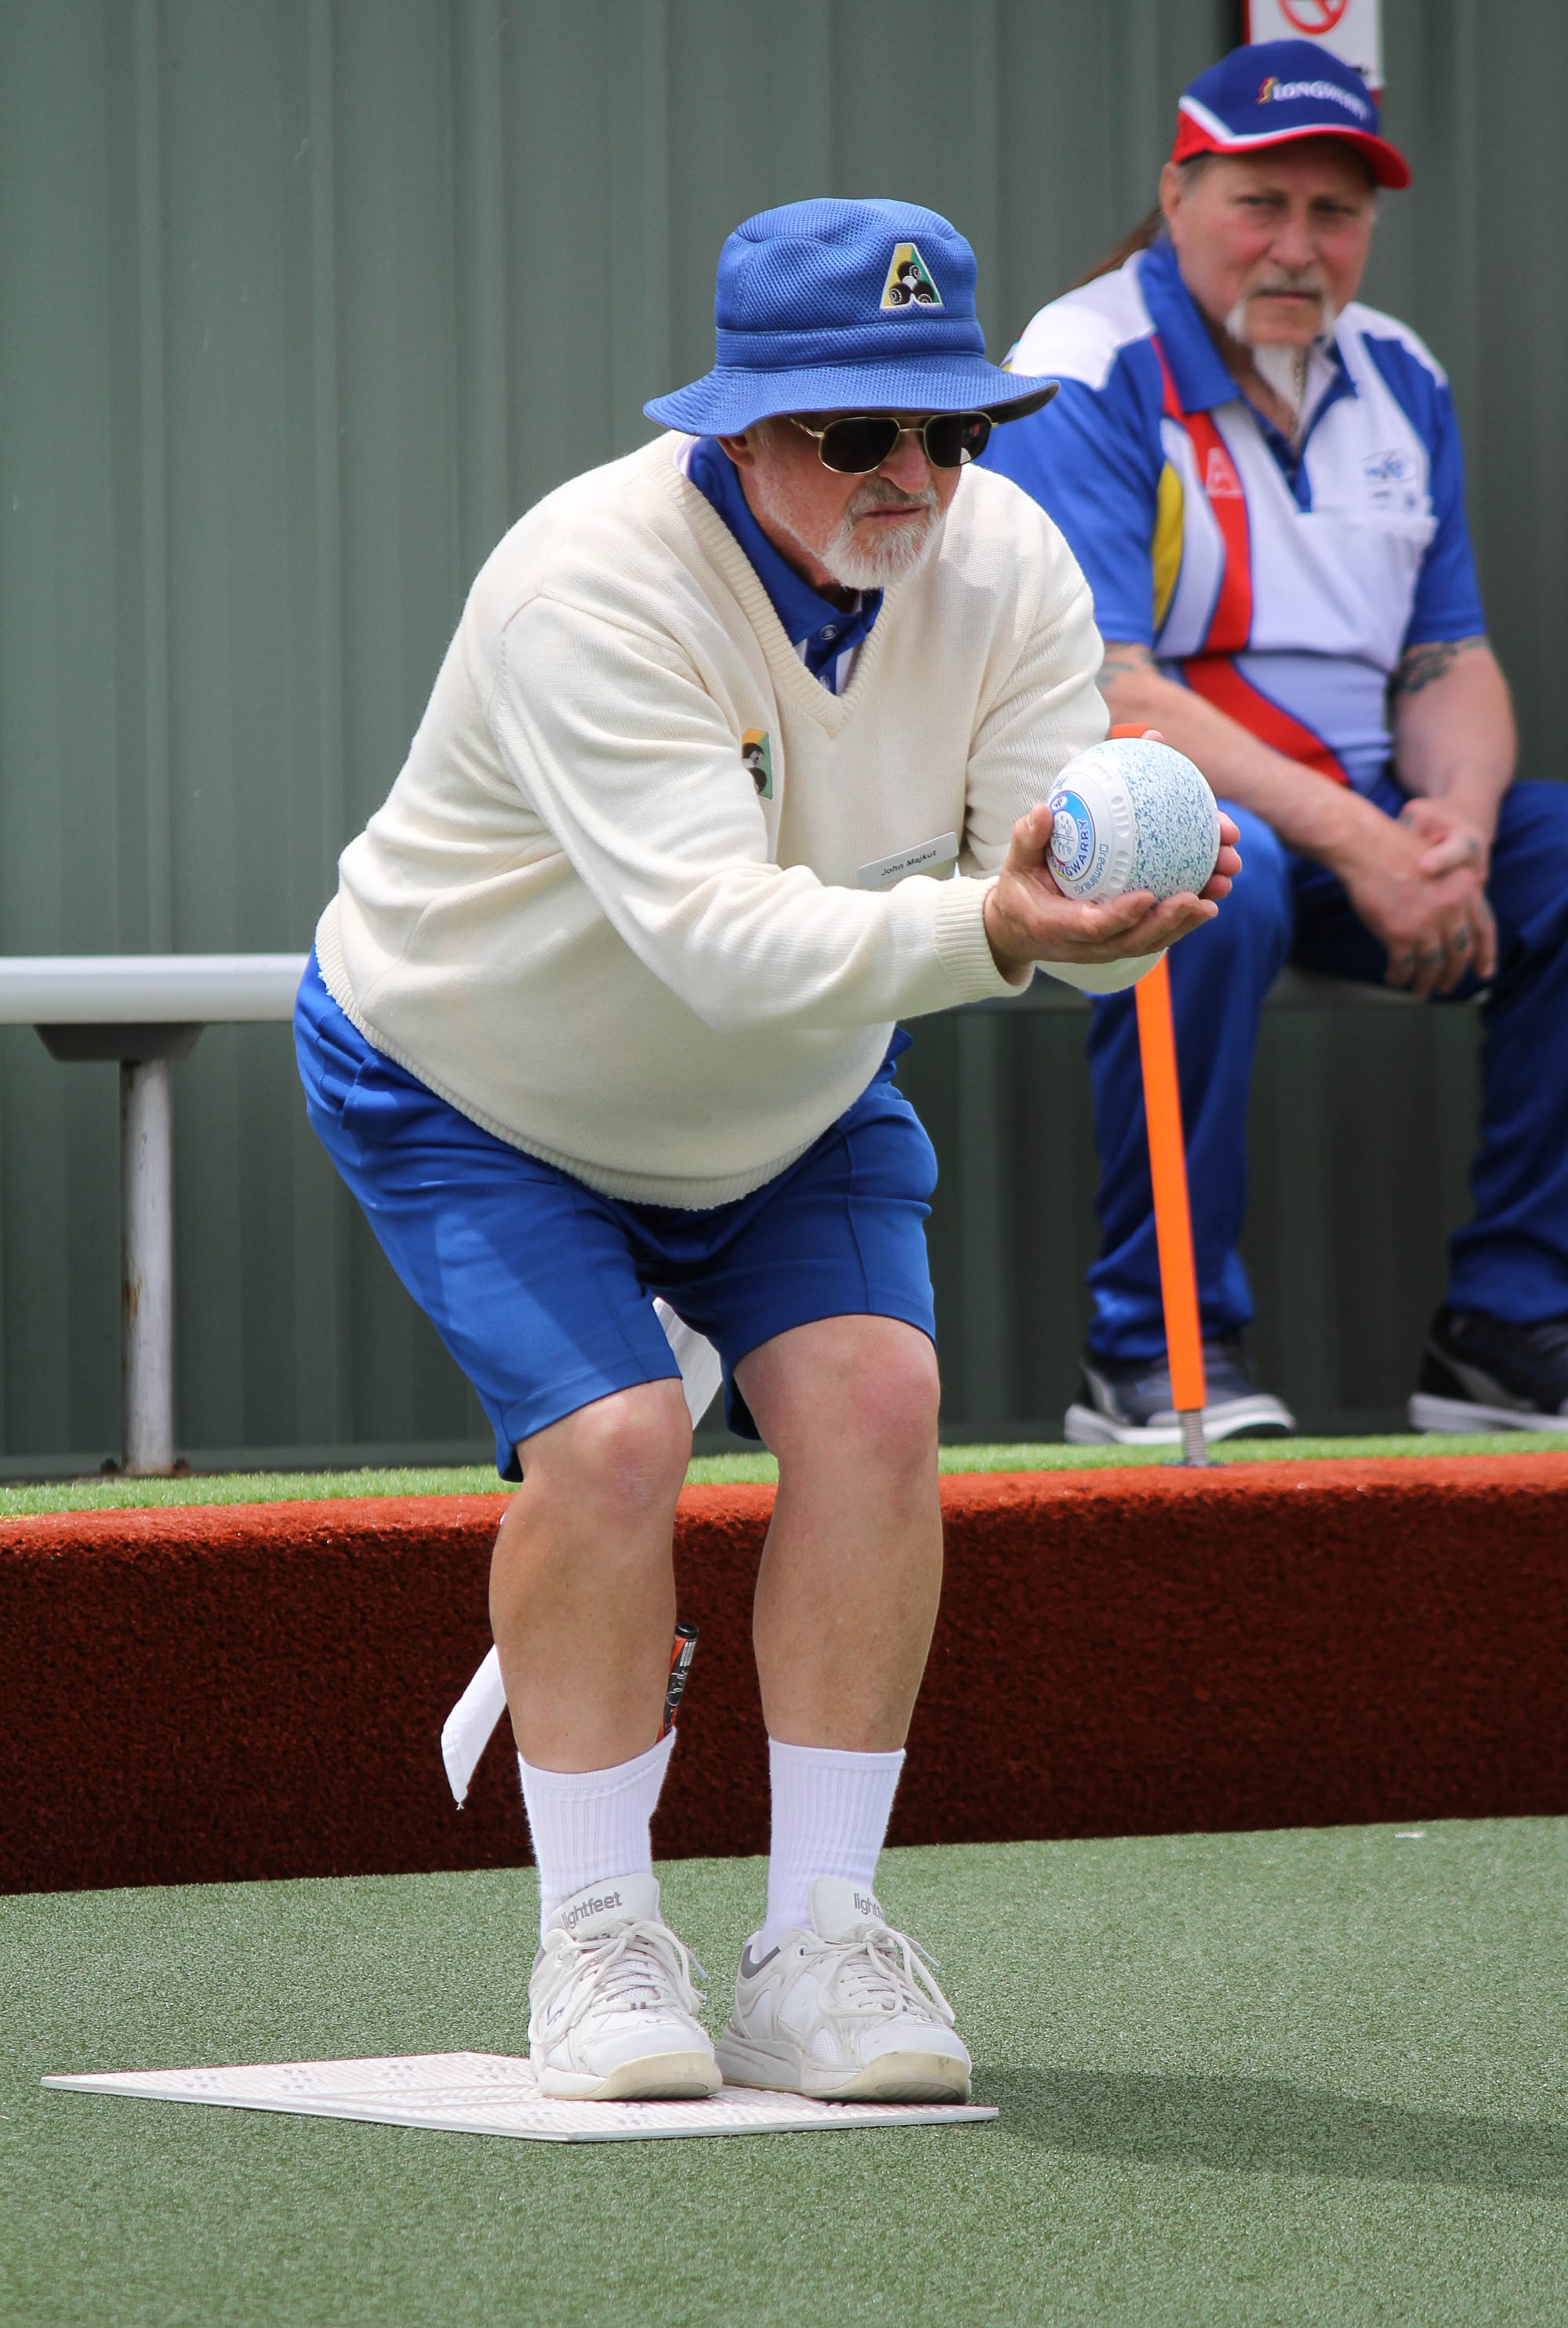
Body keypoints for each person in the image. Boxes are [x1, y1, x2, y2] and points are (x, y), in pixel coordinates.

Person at [294, 197, 1237, 2103]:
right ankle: (595, 1936)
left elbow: (1016, 874)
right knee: (619, 1439)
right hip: (475, 1081)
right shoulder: (588, 583)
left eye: (954, 432)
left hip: (789, 1088)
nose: (918, 476)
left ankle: (818, 1937)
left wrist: (1077, 926)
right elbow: (721, 944)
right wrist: (1002, 933)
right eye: (860, 433)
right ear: (739, 430)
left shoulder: (1016, 565)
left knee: (883, 1410)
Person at [984, 38, 1568, 1444]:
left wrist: (1456, 836)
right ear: (1179, 194)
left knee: (1559, 859)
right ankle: (1159, 1345)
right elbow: (1111, 684)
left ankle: (1507, 1321)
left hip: (1362, 809)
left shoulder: (1399, 374)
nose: (1299, 247)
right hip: (1147, 793)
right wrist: (1369, 840)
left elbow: (1449, 657)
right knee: (1199, 896)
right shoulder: (1088, 358)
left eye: (1337, 212)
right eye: (1263, 203)